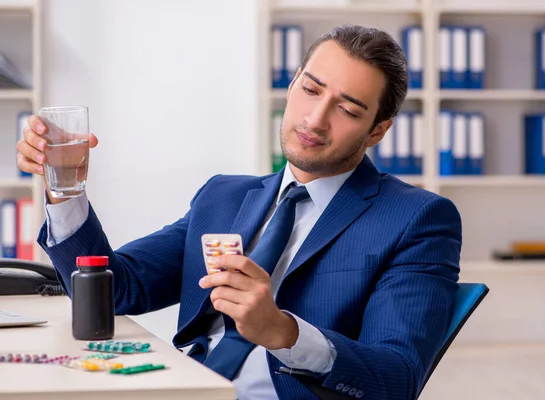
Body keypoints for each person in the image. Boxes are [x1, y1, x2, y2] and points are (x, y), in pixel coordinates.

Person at [16, 25, 461, 400]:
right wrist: (65, 186)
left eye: (346, 109)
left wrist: (283, 332)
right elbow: (118, 290)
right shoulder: (224, 196)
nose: (316, 119)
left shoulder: (416, 219)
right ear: (291, 88)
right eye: (310, 90)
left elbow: (398, 378)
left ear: (377, 131)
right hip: (187, 387)